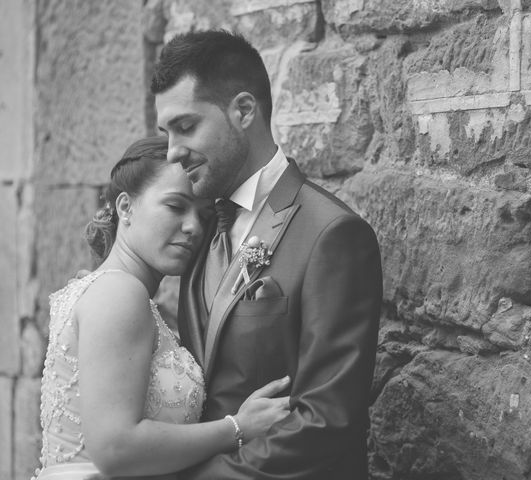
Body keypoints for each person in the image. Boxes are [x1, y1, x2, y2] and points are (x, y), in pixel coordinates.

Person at [152, 30, 383, 479]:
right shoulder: (201, 227)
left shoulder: (333, 234)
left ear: (243, 110)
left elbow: (326, 422)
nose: (172, 153)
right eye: (166, 133)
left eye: (186, 126)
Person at [35, 136, 291, 480]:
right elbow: (116, 448)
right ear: (125, 208)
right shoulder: (119, 292)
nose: (193, 228)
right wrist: (237, 428)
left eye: (203, 215)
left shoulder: (107, 289)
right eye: (175, 206)